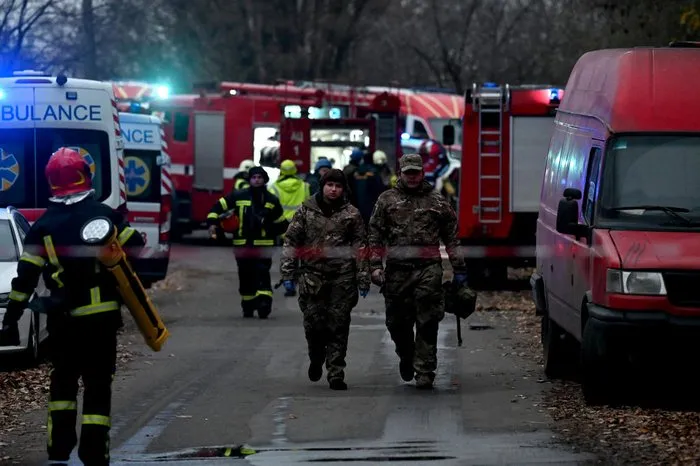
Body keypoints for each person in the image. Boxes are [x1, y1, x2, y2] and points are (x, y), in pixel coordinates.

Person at [0, 147, 145, 466]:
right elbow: (135, 245)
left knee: (62, 385)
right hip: (101, 321)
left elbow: (24, 279)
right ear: (86, 176)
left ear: (51, 181)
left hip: (63, 323)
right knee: (97, 386)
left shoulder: (42, 227)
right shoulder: (105, 216)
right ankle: (95, 453)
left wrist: (10, 320)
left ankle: (59, 450)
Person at [368, 153, 467, 389]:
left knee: (428, 320)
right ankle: (406, 354)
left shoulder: (437, 202)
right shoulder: (386, 200)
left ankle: (425, 370)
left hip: (428, 269)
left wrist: (459, 268)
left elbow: (452, 237)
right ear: (399, 174)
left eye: (416, 173)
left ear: (422, 173)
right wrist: (374, 265)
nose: (412, 177)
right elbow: (375, 235)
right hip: (397, 271)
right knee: (396, 323)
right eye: (407, 173)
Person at [281, 169, 370, 390]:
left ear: (344, 189)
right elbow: (291, 241)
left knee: (339, 325)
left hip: (342, 278)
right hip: (312, 277)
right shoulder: (306, 211)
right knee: (313, 325)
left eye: (338, 186)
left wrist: (363, 277)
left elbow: (360, 247)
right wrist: (287, 273)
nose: (333, 189)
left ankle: (336, 372)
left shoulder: (351, 214)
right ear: (322, 186)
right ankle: (316, 356)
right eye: (330, 185)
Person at [207, 166, 286, 318]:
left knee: (262, 274)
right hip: (242, 245)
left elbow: (282, 224)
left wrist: (269, 226)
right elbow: (217, 207)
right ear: (249, 180)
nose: (256, 180)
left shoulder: (271, 200)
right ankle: (248, 306)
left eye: (259, 177)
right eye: (254, 177)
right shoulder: (238, 196)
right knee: (245, 276)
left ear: (265, 180)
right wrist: (212, 223)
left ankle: (264, 304)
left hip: (264, 246)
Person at [268, 159, 311, 296]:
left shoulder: (273, 188)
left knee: (287, 255)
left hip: (283, 227)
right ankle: (305, 284)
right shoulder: (305, 186)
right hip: (301, 225)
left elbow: (271, 210)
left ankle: (288, 283)